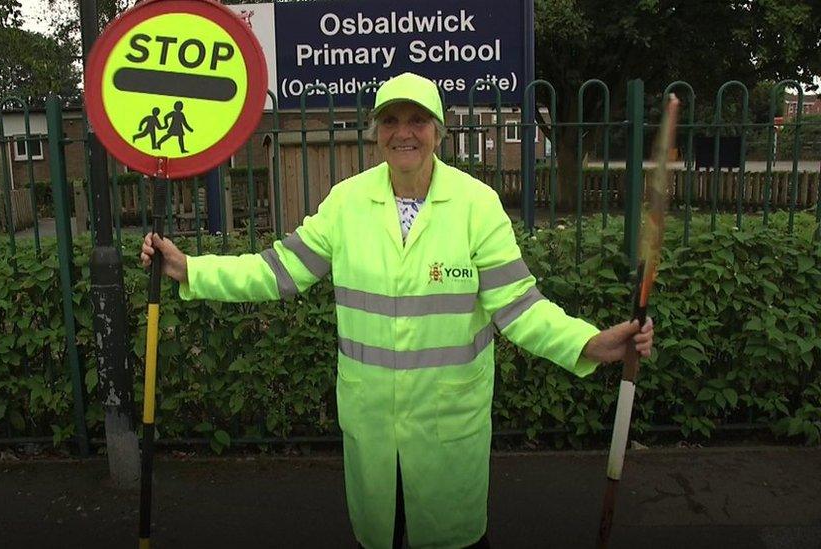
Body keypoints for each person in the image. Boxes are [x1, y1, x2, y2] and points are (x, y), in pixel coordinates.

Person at [140, 72, 654, 549]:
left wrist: (588, 343)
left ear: (439, 131)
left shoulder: (477, 205)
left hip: (447, 423)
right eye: (390, 120)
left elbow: (519, 307)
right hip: (373, 424)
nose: (402, 133)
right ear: (375, 131)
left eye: (416, 120)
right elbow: (277, 271)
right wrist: (192, 270)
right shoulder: (346, 203)